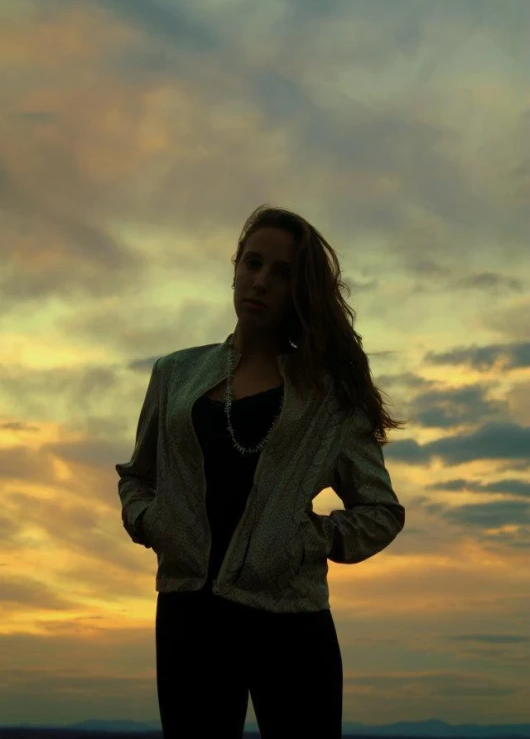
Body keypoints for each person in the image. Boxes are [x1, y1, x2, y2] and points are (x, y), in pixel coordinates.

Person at [116, 205, 407, 738]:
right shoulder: (175, 374)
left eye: (282, 272)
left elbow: (381, 512)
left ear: (301, 291)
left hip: (290, 618)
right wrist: (152, 522)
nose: (261, 281)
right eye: (253, 263)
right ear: (235, 269)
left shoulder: (329, 398)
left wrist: (305, 540)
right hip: (188, 615)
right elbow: (138, 476)